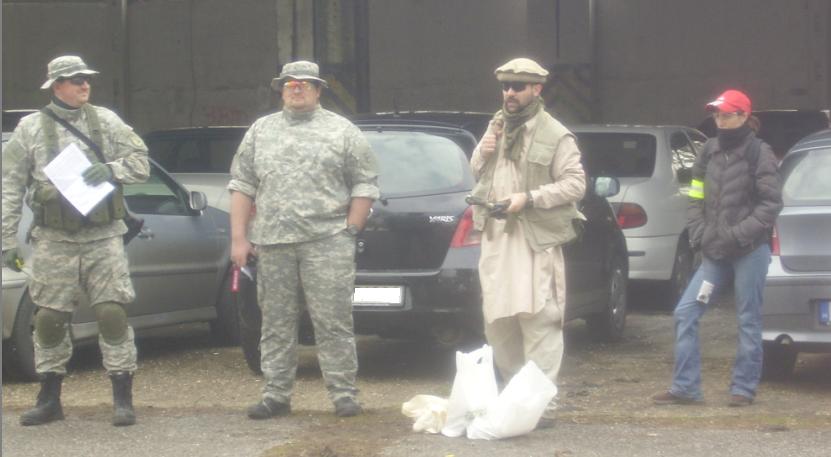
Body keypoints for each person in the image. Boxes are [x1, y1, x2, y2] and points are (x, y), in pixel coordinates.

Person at [2, 55, 150, 426]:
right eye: (75, 79)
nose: (85, 85)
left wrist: (111, 169)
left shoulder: (106, 121)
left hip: (103, 236)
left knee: (111, 312)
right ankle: (49, 398)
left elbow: (141, 164)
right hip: (55, 238)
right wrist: (7, 240)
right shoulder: (30, 129)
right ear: (56, 86)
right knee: (49, 318)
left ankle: (122, 397)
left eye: (86, 78)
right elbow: (10, 186)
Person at [228, 60, 379, 419]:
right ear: (281, 90)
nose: (296, 89)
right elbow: (242, 185)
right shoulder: (261, 131)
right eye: (289, 84)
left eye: (305, 84)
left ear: (318, 90)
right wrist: (239, 239)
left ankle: (344, 394)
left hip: (327, 241)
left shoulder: (342, 131)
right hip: (273, 242)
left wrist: (351, 228)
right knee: (275, 322)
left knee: (333, 321)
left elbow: (365, 182)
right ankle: (276, 395)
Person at [469, 57, 586, 428]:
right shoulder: (496, 125)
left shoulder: (556, 134)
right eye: (506, 86)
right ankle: (515, 399)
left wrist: (529, 198)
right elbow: (477, 170)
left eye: (518, 86)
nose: (510, 93)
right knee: (498, 322)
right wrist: (484, 151)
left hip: (534, 240)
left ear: (536, 89)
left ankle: (541, 404)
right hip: (496, 240)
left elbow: (575, 184)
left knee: (540, 320)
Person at [652, 89, 782, 407]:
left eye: (726, 115)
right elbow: (695, 195)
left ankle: (743, 389)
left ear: (744, 116)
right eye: (716, 115)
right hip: (714, 252)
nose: (720, 120)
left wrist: (736, 235)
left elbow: (770, 204)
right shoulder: (708, 151)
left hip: (750, 251)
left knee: (748, 319)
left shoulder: (760, 153)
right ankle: (685, 388)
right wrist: (700, 232)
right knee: (685, 313)